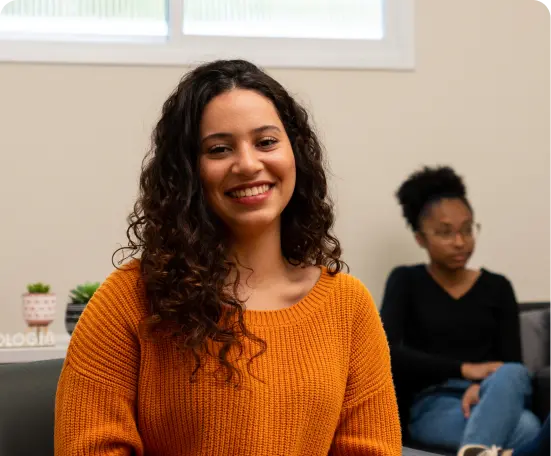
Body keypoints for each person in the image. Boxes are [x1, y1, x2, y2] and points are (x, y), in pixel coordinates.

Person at [54, 59, 401, 455]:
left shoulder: (348, 306)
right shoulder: (127, 301)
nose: (249, 164)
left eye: (267, 142)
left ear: (296, 154)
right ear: (187, 172)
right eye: (219, 149)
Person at [379, 166, 541, 456]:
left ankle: (475, 449)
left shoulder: (497, 286)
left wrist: (483, 387)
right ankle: (486, 446)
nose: (460, 241)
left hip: (493, 395)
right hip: (433, 404)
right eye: (445, 232)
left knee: (514, 373)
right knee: (527, 429)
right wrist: (464, 370)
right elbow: (386, 351)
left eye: (467, 229)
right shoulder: (406, 281)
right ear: (420, 238)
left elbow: (510, 363)